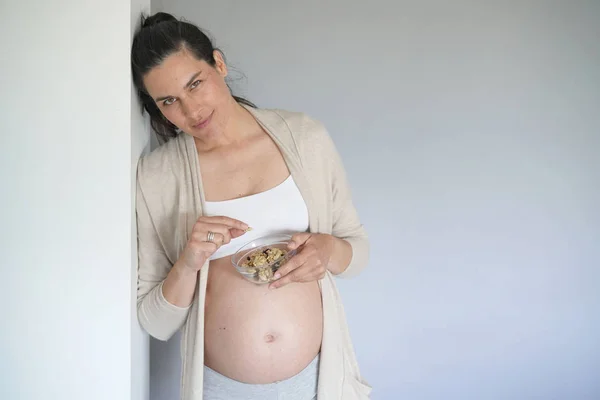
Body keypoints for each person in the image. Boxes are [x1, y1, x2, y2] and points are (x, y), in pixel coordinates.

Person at [131, 12, 371, 400]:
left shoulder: (305, 138)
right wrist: (189, 261)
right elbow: (155, 321)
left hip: (316, 383)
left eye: (196, 84)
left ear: (219, 64)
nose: (191, 110)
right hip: (221, 389)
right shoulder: (157, 177)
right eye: (169, 101)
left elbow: (356, 253)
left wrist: (326, 250)